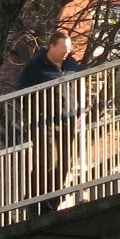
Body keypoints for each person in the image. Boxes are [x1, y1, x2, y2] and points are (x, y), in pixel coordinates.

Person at [15, 30, 82, 216]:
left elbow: (79, 85)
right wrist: (33, 110)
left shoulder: (71, 64)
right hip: (44, 122)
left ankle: (52, 205)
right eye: (62, 49)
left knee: (65, 164)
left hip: (67, 119)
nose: (65, 52)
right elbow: (20, 89)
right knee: (46, 163)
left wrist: (81, 109)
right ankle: (35, 205)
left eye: (68, 49)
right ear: (51, 46)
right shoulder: (35, 65)